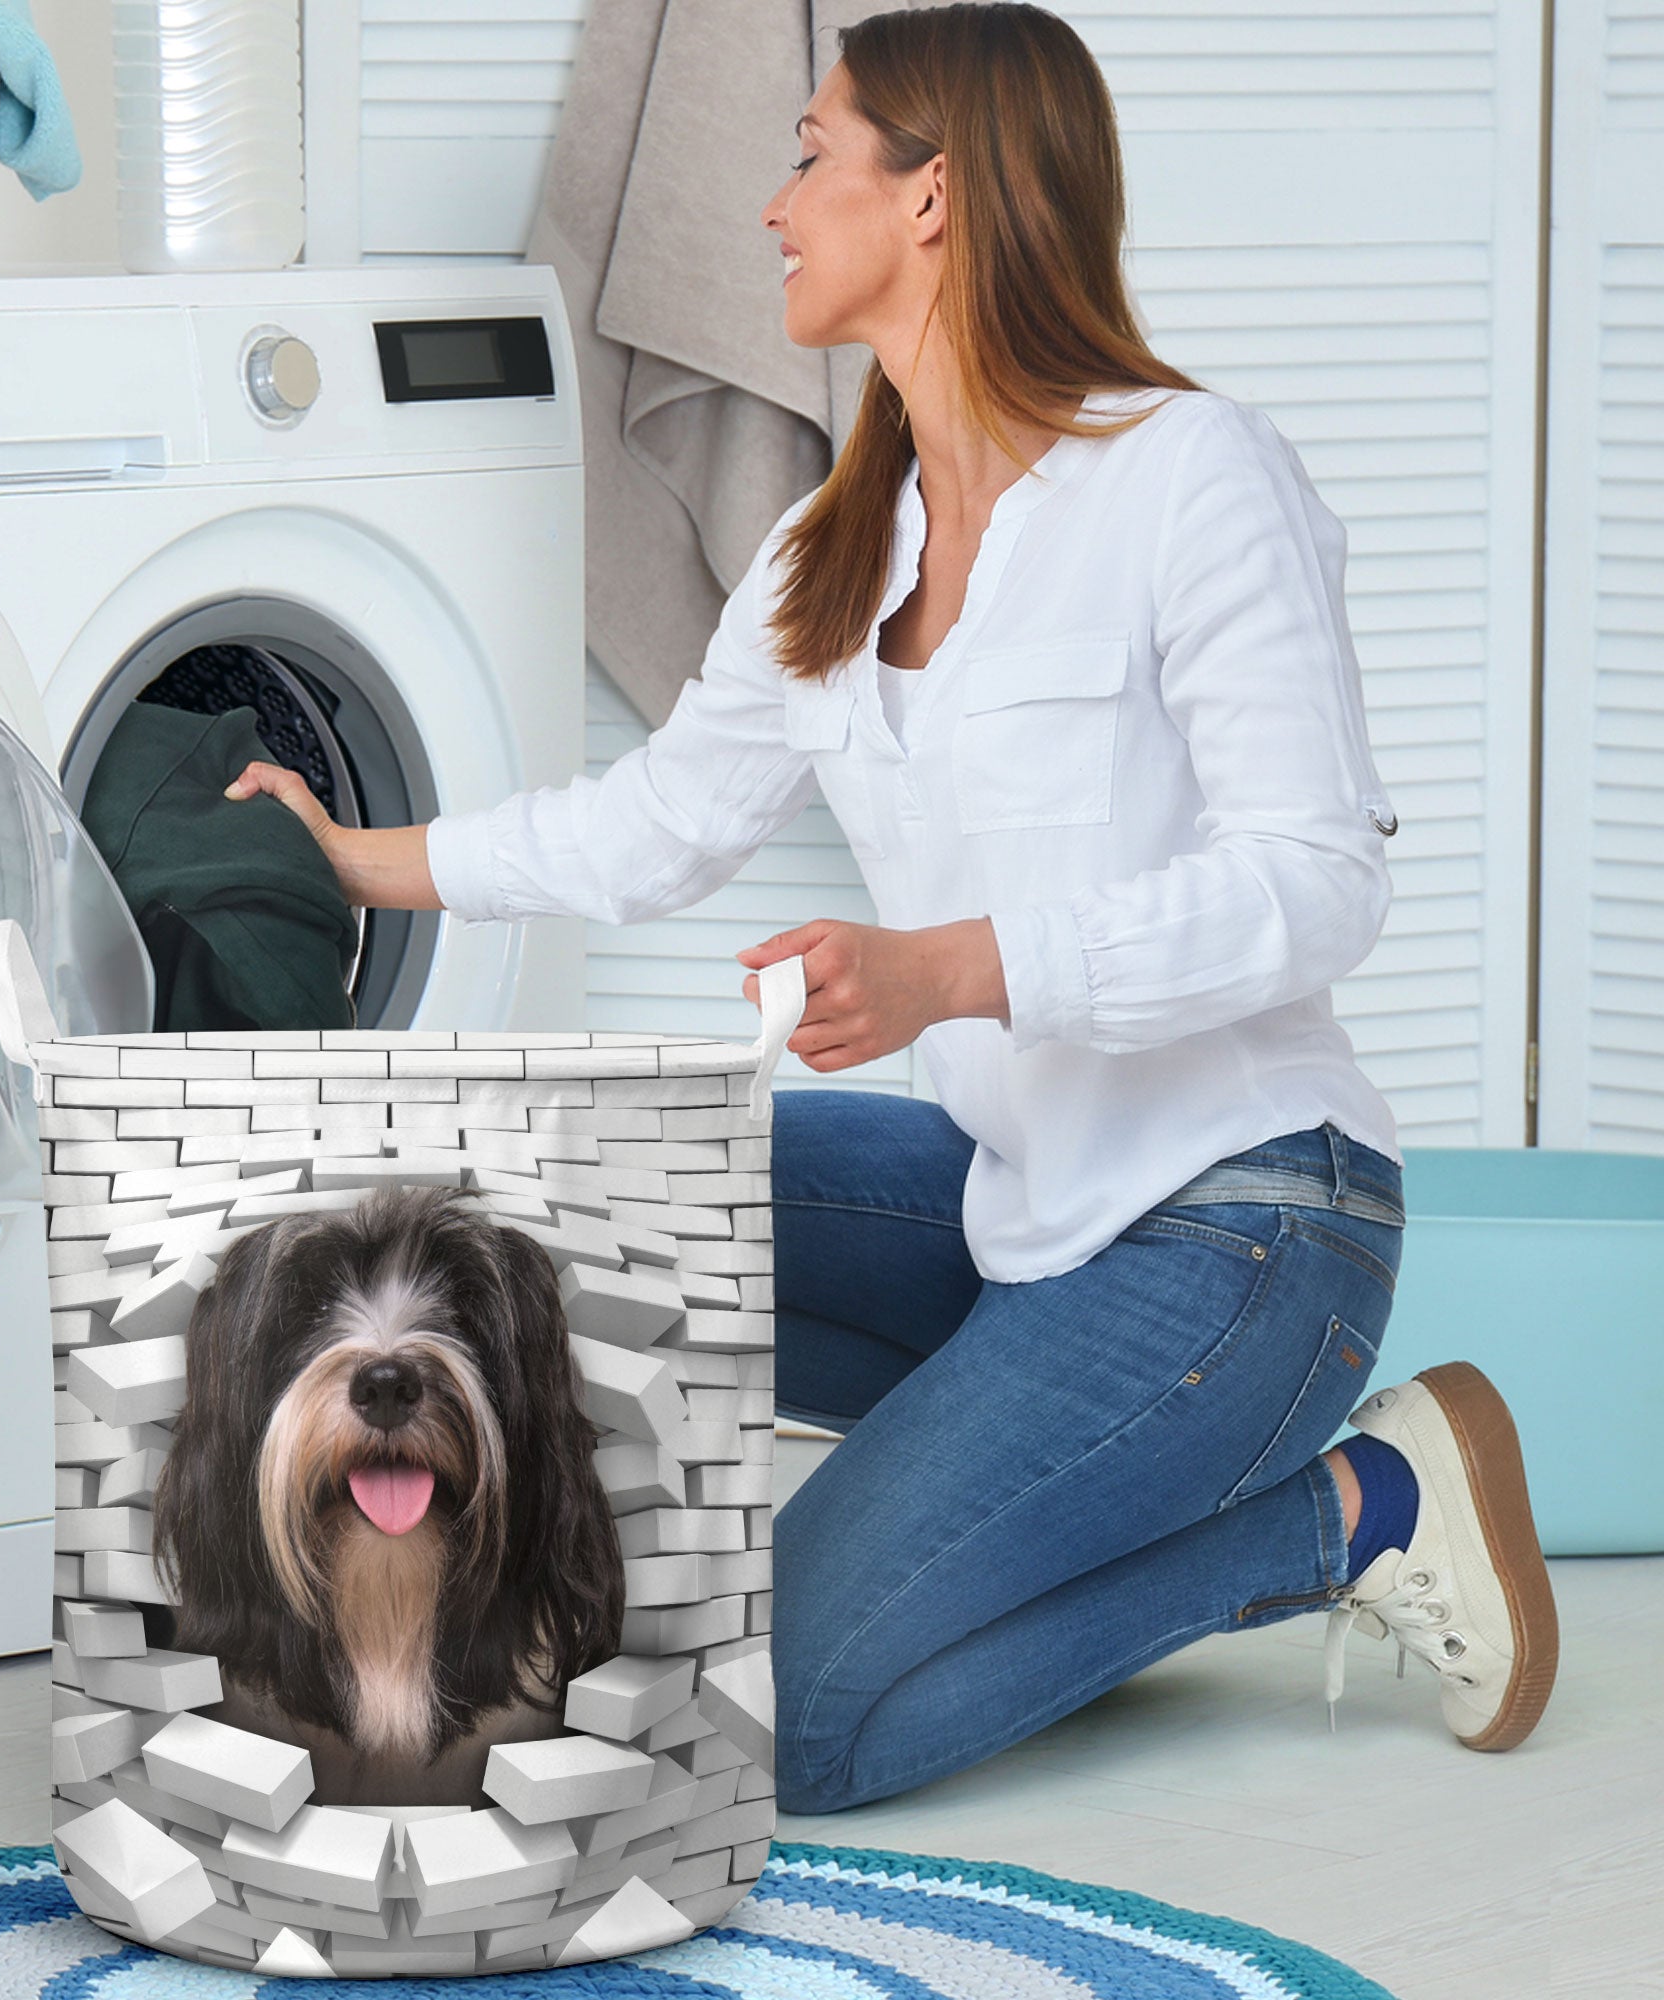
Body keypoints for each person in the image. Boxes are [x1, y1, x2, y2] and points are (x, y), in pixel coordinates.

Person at [224, 0, 1559, 1816]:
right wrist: (369, 854)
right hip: (1024, 1215)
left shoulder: (1188, 475)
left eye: (809, 155)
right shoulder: (833, 546)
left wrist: (958, 972)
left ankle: (1355, 1513)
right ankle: (927, 1509)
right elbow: (659, 825)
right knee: (572, 1208)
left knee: (800, 1722)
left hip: (1247, 1228)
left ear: (933, 198)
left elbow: (1319, 886)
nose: (771, 205)